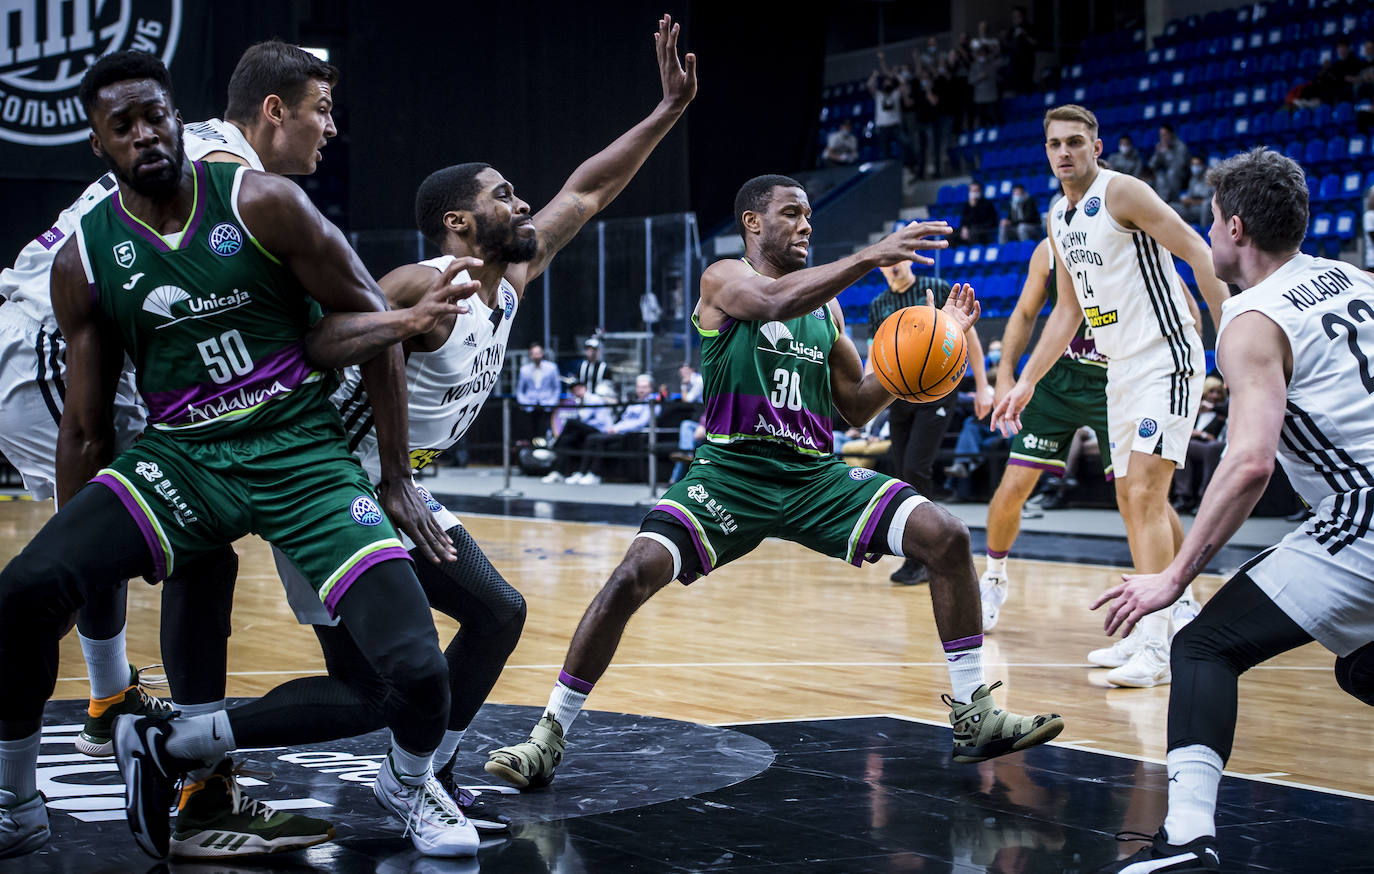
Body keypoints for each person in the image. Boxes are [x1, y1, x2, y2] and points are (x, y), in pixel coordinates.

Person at [182, 10, 697, 841]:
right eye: (502, 195)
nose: (523, 201)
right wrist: (382, 477)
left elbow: (589, 189)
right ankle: (198, 739)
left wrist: (666, 110)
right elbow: (339, 341)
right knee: (423, 663)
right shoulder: (423, 278)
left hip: (396, 487)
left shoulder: (511, 277)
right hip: (330, 487)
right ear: (459, 222)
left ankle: (421, 775)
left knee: (465, 637)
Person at [0, 50, 487, 860]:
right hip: (185, 455)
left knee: (415, 674)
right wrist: (78, 548)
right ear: (98, 144)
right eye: (122, 125)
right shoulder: (84, 259)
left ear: (178, 121)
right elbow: (86, 429)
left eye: (155, 116)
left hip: (301, 455)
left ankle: (199, 751)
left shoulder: (263, 200)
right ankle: (17, 802)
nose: (144, 134)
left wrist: (397, 477)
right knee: (25, 589)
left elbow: (371, 330)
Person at [483, 174, 1065, 791]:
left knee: (945, 536)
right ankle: (547, 735)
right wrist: (870, 254)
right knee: (630, 575)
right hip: (731, 472)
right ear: (753, 224)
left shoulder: (830, 306)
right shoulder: (722, 278)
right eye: (793, 214)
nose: (807, 225)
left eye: (811, 214)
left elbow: (856, 407)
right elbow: (770, 304)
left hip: (812, 475)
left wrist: (940, 335)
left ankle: (974, 715)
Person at [1090, 147, 1374, 874]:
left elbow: (1249, 462)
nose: (1207, 234)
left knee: (1203, 645)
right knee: (1363, 666)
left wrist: (1175, 577)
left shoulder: (1251, 319)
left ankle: (1186, 839)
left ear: (1236, 229)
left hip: (1362, 515)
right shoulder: (1357, 279)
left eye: (1211, 221)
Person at [992, 104, 1229, 688]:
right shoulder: (1058, 218)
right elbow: (1067, 311)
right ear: (1045, 152)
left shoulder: (1123, 192)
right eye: (1055, 144)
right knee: (1132, 498)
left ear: (1097, 148)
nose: (1065, 152)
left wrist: (1232, 340)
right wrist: (1024, 380)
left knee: (1145, 494)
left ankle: (1155, 644)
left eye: (1076, 142)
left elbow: (1199, 251)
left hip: (1165, 356)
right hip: (1119, 368)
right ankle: (1176, 614)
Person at [978, 238, 1111, 630]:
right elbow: (1023, 313)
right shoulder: (1050, 248)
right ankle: (994, 577)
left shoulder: (1133, 230)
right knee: (1013, 486)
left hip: (1117, 377)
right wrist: (1004, 377)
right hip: (1056, 377)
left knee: (1141, 495)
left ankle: (1177, 595)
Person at [870, 258, 991, 584]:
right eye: (887, 262)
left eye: (898, 260)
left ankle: (927, 551)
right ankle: (918, 549)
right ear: (880, 268)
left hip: (936, 391)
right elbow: (876, 356)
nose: (893, 266)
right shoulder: (879, 304)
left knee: (915, 467)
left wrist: (982, 386)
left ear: (910, 260)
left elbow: (971, 339)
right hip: (898, 395)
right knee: (901, 471)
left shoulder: (935, 289)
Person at [577, 373, 659, 485]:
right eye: (639, 387)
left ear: (651, 388)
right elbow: (624, 418)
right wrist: (614, 427)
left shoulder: (653, 403)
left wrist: (618, 429)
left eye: (644, 387)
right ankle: (582, 472)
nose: (641, 390)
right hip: (620, 430)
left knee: (598, 440)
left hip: (632, 434)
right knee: (592, 438)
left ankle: (595, 474)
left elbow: (641, 423)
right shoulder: (634, 402)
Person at [1170, 375, 1227, 515]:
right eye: (1211, 391)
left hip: (1218, 446)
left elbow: (1214, 437)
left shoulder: (1223, 410)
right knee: (1181, 446)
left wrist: (1201, 433)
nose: (1215, 395)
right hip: (1198, 446)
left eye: (1218, 392)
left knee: (1211, 448)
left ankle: (1205, 498)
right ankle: (1184, 496)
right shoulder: (1195, 410)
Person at [517, 342, 562, 442]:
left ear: (542, 354)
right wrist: (524, 402)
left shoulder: (552, 368)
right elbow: (520, 391)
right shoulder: (524, 370)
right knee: (530, 434)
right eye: (534, 353)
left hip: (547, 406)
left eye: (538, 353)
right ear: (530, 355)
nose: (536, 356)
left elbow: (557, 388)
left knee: (545, 433)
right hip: (530, 407)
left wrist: (552, 402)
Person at [1148, 124, 1189, 203]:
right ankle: (1159, 202)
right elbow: (1151, 166)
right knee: (1158, 175)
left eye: (1165, 135)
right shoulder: (1160, 147)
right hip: (1167, 174)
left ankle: (1173, 201)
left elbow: (1179, 166)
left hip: (1183, 175)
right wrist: (1158, 154)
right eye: (1161, 135)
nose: (1163, 138)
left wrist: (1167, 152)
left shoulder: (1181, 146)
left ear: (1171, 134)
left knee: (1172, 173)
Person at [1171, 155, 1214, 227]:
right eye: (1193, 165)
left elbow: (1211, 201)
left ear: (1203, 165)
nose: (1195, 167)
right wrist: (1186, 200)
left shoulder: (1210, 179)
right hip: (1192, 208)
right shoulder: (1193, 180)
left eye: (1197, 165)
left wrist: (1192, 202)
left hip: (1204, 209)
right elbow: (1189, 196)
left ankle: (1203, 231)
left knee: (1205, 206)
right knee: (1172, 206)